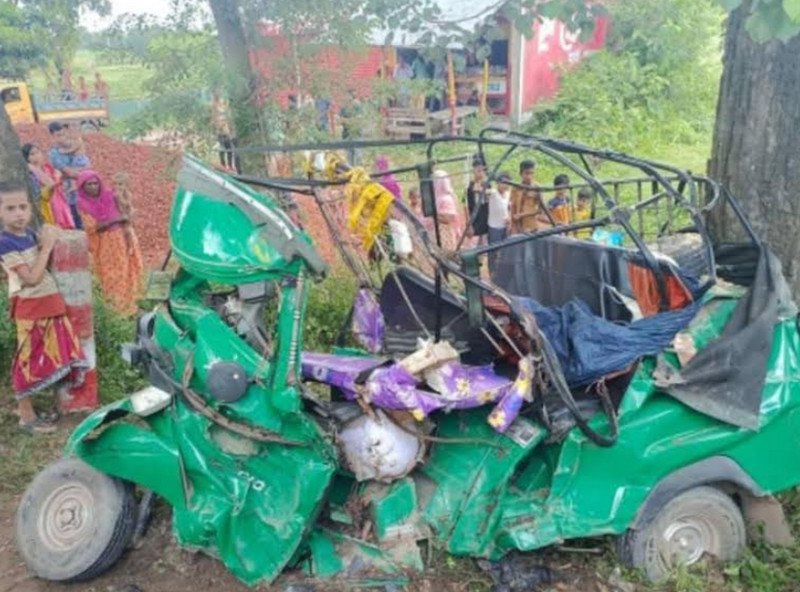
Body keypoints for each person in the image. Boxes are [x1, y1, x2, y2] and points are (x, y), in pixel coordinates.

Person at [0, 181, 87, 434]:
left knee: (51, 357)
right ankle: (26, 416)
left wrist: (47, 237)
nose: (19, 214)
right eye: (10, 208)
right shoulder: (5, 242)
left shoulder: (27, 234)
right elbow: (31, 278)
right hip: (31, 310)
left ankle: (44, 406)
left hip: (49, 306)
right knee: (27, 361)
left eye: (23, 207)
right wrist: (46, 246)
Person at [76, 171, 143, 315]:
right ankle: (115, 310)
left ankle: (130, 307)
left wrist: (126, 219)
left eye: (95, 183)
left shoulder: (110, 196)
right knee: (111, 275)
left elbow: (126, 209)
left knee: (127, 271)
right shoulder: (83, 205)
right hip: (105, 244)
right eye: (89, 184)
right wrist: (117, 219)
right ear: (82, 187)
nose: (93, 187)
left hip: (122, 238)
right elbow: (94, 227)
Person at [21, 144, 75, 229]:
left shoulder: (48, 168)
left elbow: (60, 184)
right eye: (32, 154)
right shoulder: (29, 173)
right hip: (44, 205)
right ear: (26, 158)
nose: (36, 156)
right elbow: (50, 183)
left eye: (38, 152)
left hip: (58, 203)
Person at [48, 122, 89, 229]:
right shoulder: (54, 154)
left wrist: (82, 172)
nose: (62, 138)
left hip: (85, 190)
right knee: (78, 222)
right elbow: (69, 172)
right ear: (52, 136)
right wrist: (82, 173)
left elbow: (87, 166)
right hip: (70, 193)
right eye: (58, 135)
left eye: (63, 134)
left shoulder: (75, 144)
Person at [509, 160, 549, 234]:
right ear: (521, 174)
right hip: (517, 225)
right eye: (527, 173)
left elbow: (540, 210)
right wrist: (512, 225)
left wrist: (522, 215)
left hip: (531, 226)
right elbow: (512, 206)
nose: (529, 176)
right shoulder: (516, 188)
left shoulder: (537, 188)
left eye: (532, 173)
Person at [431, 170, 464, 251]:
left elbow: (448, 219)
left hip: (445, 234)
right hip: (437, 233)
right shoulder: (437, 197)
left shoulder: (446, 199)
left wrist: (433, 215)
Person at [465, 155, 490, 245]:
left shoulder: (487, 185)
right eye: (478, 171)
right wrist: (469, 225)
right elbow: (466, 207)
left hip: (486, 221)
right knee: (475, 246)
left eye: (482, 170)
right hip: (475, 221)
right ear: (473, 171)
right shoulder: (470, 187)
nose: (480, 173)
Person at [487, 172, 512, 245]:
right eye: (503, 183)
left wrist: (509, 217)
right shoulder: (493, 193)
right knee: (494, 248)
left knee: (505, 247)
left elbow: (509, 207)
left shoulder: (508, 194)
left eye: (507, 183)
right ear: (497, 183)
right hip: (494, 227)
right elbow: (485, 191)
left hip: (505, 226)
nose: (505, 185)